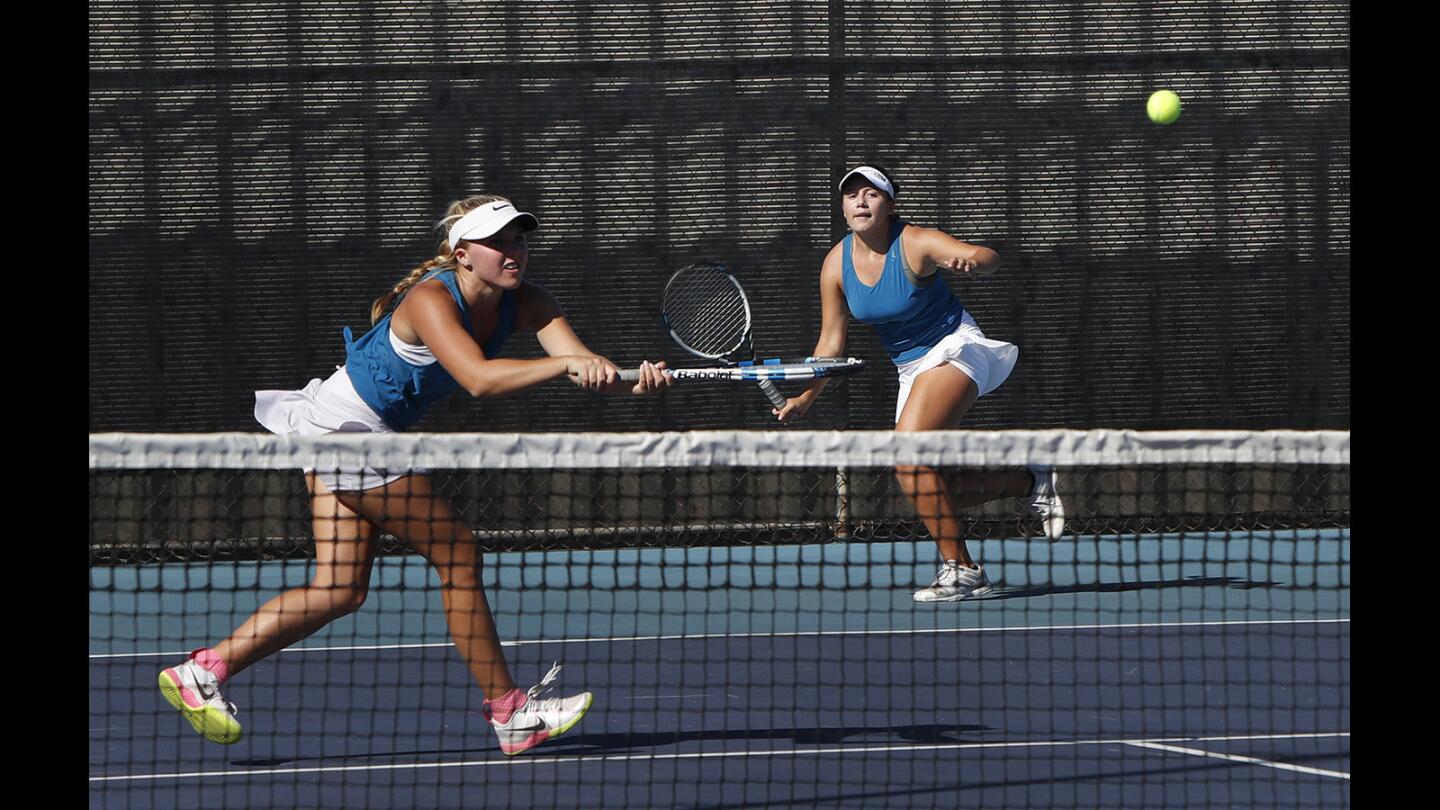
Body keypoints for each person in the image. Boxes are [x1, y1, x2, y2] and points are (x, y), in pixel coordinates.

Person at [157, 194, 672, 755]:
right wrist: (565, 365)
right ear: (462, 254)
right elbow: (477, 378)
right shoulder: (430, 298)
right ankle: (511, 713)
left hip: (348, 431)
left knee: (339, 589)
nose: (513, 250)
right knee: (457, 553)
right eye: (498, 241)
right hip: (348, 427)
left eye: (519, 238)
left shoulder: (530, 303)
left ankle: (201, 673)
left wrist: (633, 380)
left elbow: (585, 366)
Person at [775, 165, 1064, 602]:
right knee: (925, 481)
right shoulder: (835, 264)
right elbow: (830, 343)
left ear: (889, 204)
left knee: (906, 451)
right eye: (851, 195)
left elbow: (989, 257)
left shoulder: (915, 241)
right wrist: (806, 397)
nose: (860, 202)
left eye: (871, 194)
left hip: (956, 349)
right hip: (910, 370)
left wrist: (968, 261)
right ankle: (1027, 479)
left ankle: (963, 571)